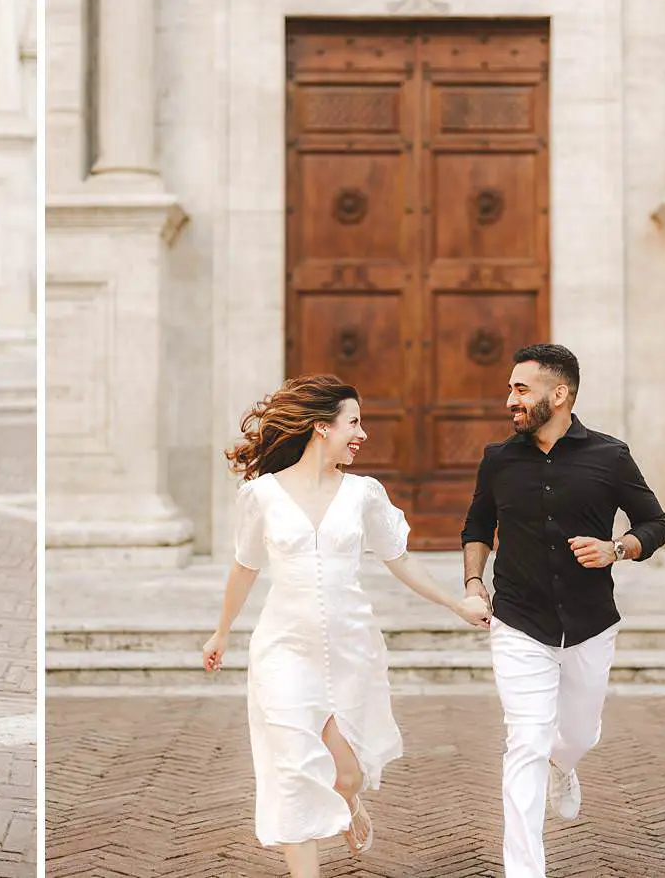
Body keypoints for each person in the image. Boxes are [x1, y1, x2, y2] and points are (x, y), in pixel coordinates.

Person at [203, 374, 489, 878]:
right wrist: (222, 631)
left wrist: (456, 603)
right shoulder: (262, 495)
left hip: (351, 648)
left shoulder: (364, 494)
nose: (362, 434)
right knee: (293, 769)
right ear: (320, 427)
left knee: (347, 775)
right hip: (284, 651)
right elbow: (244, 567)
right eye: (353, 422)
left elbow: (400, 561)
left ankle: (350, 804)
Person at [461, 343, 665, 878]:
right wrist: (473, 582)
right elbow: (477, 527)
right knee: (525, 739)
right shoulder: (498, 459)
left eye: (520, 389)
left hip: (590, 624)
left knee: (577, 735)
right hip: (519, 622)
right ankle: (524, 870)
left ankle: (566, 763)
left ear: (560, 394)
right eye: (511, 388)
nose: (510, 398)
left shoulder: (610, 455)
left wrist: (616, 549)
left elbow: (655, 524)